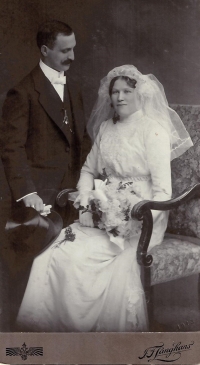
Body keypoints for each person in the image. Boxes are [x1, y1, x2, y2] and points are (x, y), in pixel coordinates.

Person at [16, 65, 193, 332]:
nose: (120, 97)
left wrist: (134, 220)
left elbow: (163, 193)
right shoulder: (107, 129)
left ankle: (100, 337)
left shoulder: (153, 130)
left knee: (98, 263)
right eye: (115, 92)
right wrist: (86, 202)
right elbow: (88, 170)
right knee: (57, 252)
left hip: (144, 217)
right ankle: (56, 331)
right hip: (105, 209)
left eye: (127, 91)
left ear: (140, 93)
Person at [0, 20, 91, 225]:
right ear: (44, 50)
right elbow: (11, 148)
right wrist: (27, 193)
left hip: (74, 196)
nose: (72, 57)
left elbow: (82, 140)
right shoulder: (22, 93)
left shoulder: (74, 88)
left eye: (73, 49)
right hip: (40, 199)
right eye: (65, 51)